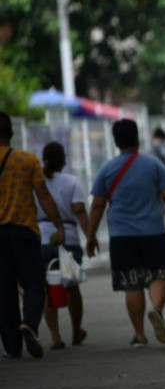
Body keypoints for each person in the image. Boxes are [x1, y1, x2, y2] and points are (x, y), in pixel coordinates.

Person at [86, 119, 165, 348]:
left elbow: (97, 205)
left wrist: (90, 235)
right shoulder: (153, 165)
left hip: (121, 236)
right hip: (153, 232)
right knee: (159, 275)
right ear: (137, 138)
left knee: (132, 284)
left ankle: (140, 335)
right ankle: (156, 310)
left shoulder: (106, 169)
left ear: (116, 142)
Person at [0, 111, 65, 359]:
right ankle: (29, 323)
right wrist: (58, 225)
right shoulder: (27, 160)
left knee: (4, 290)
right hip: (24, 231)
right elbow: (44, 196)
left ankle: (13, 347)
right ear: (12, 133)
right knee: (34, 283)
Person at [34, 142, 90, 350]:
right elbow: (80, 211)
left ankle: (56, 337)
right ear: (63, 160)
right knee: (71, 286)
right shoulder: (72, 182)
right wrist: (90, 236)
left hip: (41, 239)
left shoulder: (36, 182)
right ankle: (76, 331)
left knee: (48, 288)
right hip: (68, 240)